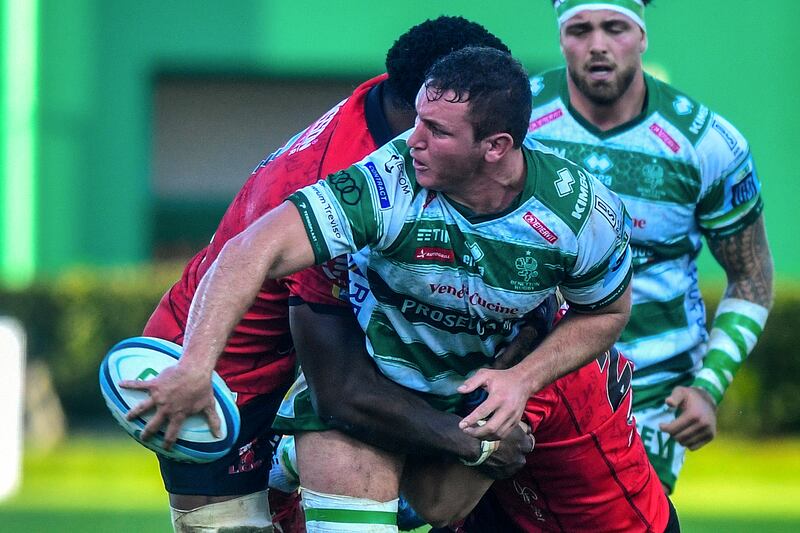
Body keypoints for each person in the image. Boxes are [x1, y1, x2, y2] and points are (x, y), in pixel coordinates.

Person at [146, 45, 632, 532]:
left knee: (441, 508)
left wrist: (521, 380)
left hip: (464, 400)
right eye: (418, 118)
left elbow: (605, 313)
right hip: (369, 398)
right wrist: (194, 365)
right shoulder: (386, 180)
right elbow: (250, 250)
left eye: (437, 131)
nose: (413, 139)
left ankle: (292, 461)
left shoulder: (581, 214)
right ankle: (302, 449)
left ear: (496, 146)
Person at [119, 16, 518, 532]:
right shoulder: (346, 183)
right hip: (215, 363)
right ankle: (289, 455)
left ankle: (291, 461)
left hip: (293, 349)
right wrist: (475, 443)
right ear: (419, 103)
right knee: (226, 527)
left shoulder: (390, 104)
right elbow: (338, 389)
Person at [525, 0, 774, 493]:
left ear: (642, 36)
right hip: (529, 377)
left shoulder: (707, 143)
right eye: (579, 29)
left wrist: (708, 386)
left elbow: (752, 279)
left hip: (650, 393)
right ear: (560, 38)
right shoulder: (517, 120)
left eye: (614, 27)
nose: (597, 45)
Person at [277, 302, 679, 532]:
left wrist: (317, 461)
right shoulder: (535, 325)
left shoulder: (530, 375)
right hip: (522, 510)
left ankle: (279, 467)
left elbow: (438, 504)